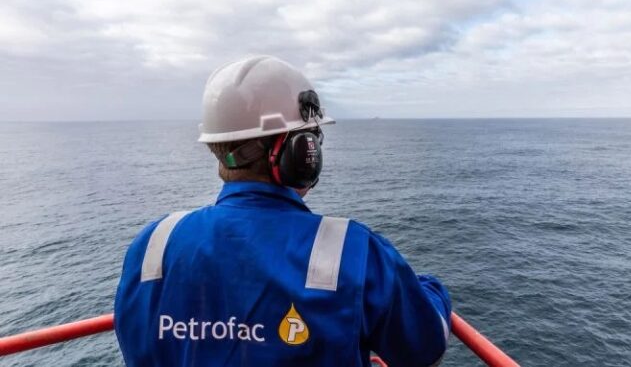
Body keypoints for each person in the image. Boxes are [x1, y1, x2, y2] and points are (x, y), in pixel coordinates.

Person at [114, 55, 452, 366]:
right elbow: (426, 348)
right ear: (300, 152)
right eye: (313, 138)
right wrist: (431, 290)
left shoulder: (152, 246)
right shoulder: (352, 252)